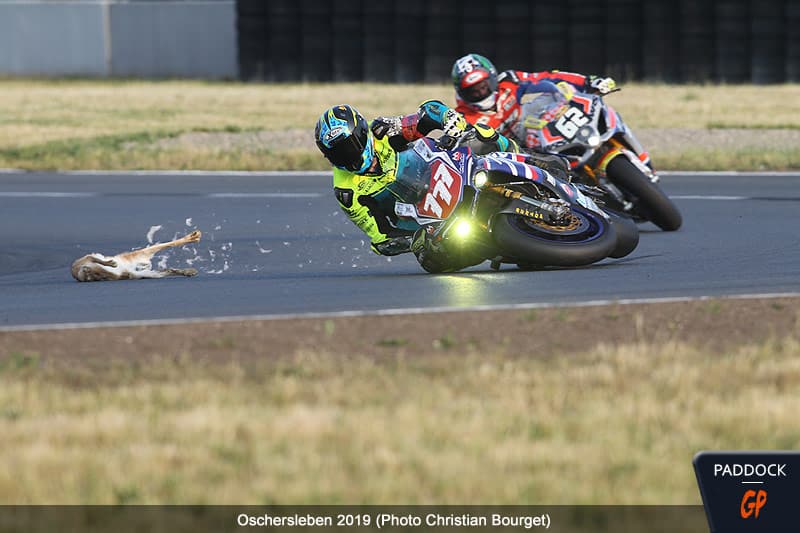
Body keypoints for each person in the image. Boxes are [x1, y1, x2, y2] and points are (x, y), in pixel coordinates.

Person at [314, 101, 518, 272]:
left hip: (442, 171)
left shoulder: (382, 130)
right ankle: (501, 248)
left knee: (478, 134)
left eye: (348, 147)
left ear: (360, 133)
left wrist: (448, 120)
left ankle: (524, 156)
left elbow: (426, 114)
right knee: (433, 262)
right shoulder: (346, 192)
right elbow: (380, 236)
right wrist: (413, 240)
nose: (346, 157)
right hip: (428, 221)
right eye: (336, 154)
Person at [450, 53, 652, 170]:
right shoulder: (464, 117)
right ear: (462, 93)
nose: (480, 91)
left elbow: (549, 78)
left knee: (602, 109)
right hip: (520, 156)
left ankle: (642, 158)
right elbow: (465, 149)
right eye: (473, 90)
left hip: (540, 130)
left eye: (483, 85)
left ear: (492, 78)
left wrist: (588, 82)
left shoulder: (509, 81)